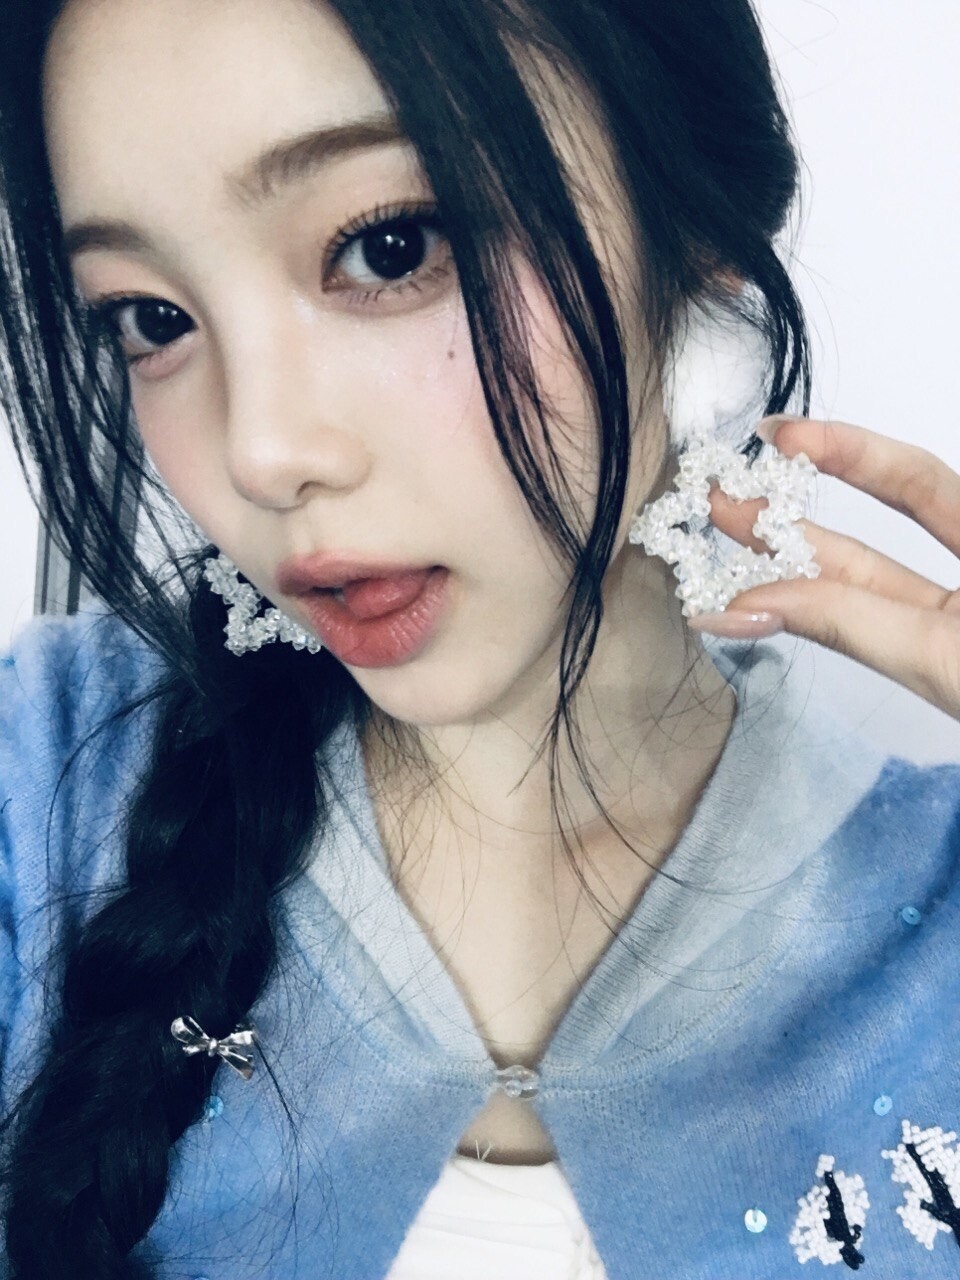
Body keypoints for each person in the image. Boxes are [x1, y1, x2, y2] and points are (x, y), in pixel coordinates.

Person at [0, 0, 958, 1276]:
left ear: (697, 230)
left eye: (388, 245)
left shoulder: (937, 921)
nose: (259, 453)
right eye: (150, 318)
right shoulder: (47, 781)